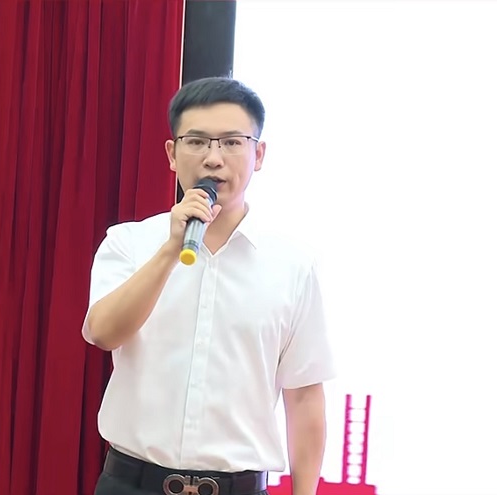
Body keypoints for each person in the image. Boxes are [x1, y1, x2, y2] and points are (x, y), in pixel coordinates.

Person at [82, 76, 336, 495]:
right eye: (197, 142)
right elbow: (103, 333)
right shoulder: (129, 243)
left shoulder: (293, 266)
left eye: (232, 142)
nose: (213, 159)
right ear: (172, 154)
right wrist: (170, 249)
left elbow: (305, 396)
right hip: (132, 483)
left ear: (258, 154)